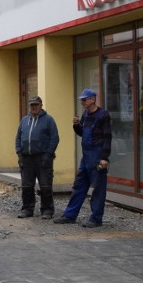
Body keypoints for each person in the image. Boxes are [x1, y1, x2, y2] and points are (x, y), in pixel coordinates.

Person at [54, 88, 112, 228]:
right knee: (79, 186)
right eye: (81, 100)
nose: (82, 102)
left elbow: (107, 137)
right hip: (86, 156)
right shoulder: (85, 114)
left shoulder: (103, 115)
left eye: (84, 99)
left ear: (92, 99)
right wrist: (76, 125)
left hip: (97, 156)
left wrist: (104, 157)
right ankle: (70, 215)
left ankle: (96, 219)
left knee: (98, 189)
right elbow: (82, 133)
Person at [15, 96, 59, 219]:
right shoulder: (24, 120)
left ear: (41, 105)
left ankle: (47, 210)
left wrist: (48, 154)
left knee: (45, 185)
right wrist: (19, 153)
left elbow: (55, 138)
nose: (34, 107)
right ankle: (27, 209)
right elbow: (18, 137)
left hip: (43, 157)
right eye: (32, 105)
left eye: (36, 105)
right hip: (26, 158)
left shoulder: (49, 120)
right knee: (27, 186)